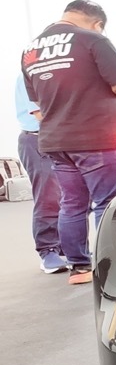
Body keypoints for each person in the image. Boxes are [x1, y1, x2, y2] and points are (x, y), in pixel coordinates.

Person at [21, 0, 116, 285]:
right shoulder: (93, 39)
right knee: (109, 202)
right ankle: (112, 267)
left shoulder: (31, 50)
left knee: (72, 204)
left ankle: (80, 267)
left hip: (56, 140)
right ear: (97, 23)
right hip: (96, 137)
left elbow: (38, 101)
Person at [13, 75, 66, 274]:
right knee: (48, 197)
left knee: (71, 197)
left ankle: (68, 247)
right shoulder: (29, 75)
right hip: (37, 140)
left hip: (61, 139)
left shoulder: (61, 70)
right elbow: (41, 114)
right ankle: (48, 251)